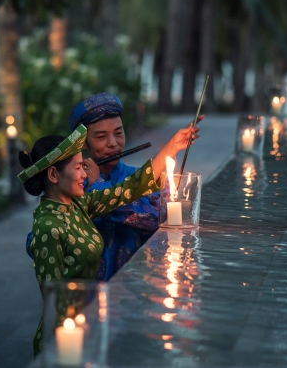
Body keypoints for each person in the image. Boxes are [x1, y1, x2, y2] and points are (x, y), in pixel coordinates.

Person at [19, 121, 200, 356]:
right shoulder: (47, 226)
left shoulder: (79, 206)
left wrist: (172, 146)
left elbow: (129, 189)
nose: (86, 173)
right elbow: (55, 299)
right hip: (65, 338)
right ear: (53, 174)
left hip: (88, 322)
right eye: (78, 168)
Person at [26, 92, 204, 281]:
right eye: (101, 136)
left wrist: (171, 147)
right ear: (83, 144)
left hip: (138, 288)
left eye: (118, 133)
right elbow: (40, 239)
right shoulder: (73, 187)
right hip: (88, 297)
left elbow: (156, 219)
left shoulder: (140, 180)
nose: (113, 143)